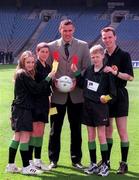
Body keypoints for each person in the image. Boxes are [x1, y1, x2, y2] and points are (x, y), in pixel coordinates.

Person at [47, 19, 91, 169]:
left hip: (77, 95)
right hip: (56, 97)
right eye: (64, 30)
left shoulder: (83, 46)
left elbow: (87, 68)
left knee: (76, 129)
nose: (67, 33)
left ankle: (76, 160)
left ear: (74, 30)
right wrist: (54, 82)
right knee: (54, 129)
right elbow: (48, 69)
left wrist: (75, 81)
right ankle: (53, 160)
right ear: (60, 30)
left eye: (70, 30)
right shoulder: (52, 46)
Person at [6, 51, 55, 175]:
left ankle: (10, 165)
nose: (31, 64)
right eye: (28, 62)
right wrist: (49, 77)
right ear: (22, 62)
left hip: (19, 108)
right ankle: (26, 167)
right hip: (23, 109)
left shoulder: (22, 73)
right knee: (24, 137)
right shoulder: (22, 73)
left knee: (17, 137)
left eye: (32, 62)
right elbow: (36, 89)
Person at [71, 44, 116, 176]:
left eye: (97, 56)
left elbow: (113, 94)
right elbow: (81, 84)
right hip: (87, 107)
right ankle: (93, 164)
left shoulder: (107, 72)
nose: (95, 59)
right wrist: (76, 72)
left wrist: (105, 98)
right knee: (91, 137)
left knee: (102, 136)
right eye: (92, 57)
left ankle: (105, 165)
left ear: (102, 56)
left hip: (100, 108)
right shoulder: (89, 70)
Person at [101, 26, 134, 174]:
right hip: (107, 96)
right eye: (104, 38)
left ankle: (124, 163)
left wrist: (115, 72)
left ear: (115, 37)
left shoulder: (124, 55)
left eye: (109, 37)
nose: (107, 40)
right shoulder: (102, 56)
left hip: (120, 95)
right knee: (107, 130)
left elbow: (130, 77)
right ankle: (106, 160)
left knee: (122, 131)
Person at [28, 42, 52, 171]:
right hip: (35, 102)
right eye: (42, 51)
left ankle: (37, 159)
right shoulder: (34, 66)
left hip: (44, 102)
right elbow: (36, 87)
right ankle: (31, 161)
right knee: (34, 131)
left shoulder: (48, 66)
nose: (44, 54)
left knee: (41, 131)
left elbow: (48, 86)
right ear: (37, 52)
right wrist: (48, 78)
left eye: (46, 52)